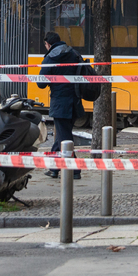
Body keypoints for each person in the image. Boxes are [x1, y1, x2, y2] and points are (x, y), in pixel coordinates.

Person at [36, 31, 83, 180]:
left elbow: (41, 83)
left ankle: (75, 170)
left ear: (48, 44)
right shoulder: (74, 53)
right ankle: (54, 169)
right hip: (75, 102)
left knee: (64, 138)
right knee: (61, 135)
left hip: (60, 103)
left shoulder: (50, 58)